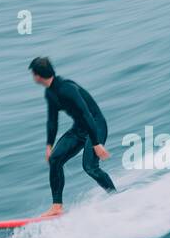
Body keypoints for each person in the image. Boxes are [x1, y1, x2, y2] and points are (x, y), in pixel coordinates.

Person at [29, 57, 116, 215]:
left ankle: (115, 197)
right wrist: (49, 145)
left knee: (90, 167)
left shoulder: (67, 88)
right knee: (55, 159)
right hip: (80, 128)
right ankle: (57, 206)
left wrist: (96, 143)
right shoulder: (51, 93)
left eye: (32, 74)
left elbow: (87, 114)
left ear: (37, 75)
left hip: (95, 125)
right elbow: (52, 120)